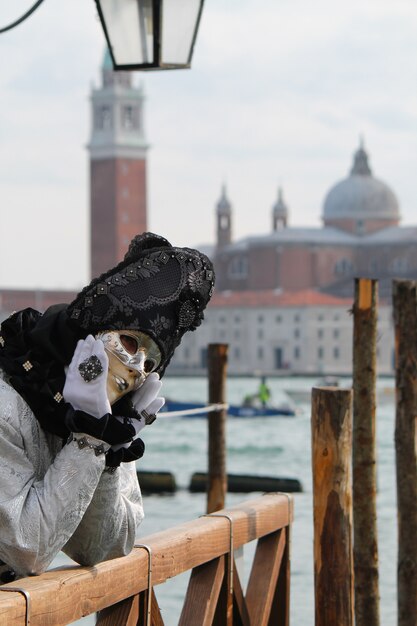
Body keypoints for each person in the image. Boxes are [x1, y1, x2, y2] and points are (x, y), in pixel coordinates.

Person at [0, 232, 215, 582]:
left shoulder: (104, 416)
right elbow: (26, 548)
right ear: (92, 330)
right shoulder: (5, 401)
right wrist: (87, 438)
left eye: (149, 364)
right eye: (130, 342)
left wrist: (105, 452)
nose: (135, 368)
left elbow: (105, 547)